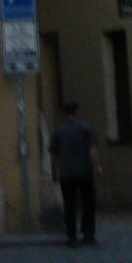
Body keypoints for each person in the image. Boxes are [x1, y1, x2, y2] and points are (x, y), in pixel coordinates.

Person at [48, 99, 99, 246]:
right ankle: (88, 233)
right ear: (77, 112)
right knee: (88, 203)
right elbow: (92, 150)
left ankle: (71, 236)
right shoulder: (85, 129)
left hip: (66, 173)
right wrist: (98, 167)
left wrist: (53, 172)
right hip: (84, 171)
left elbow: (53, 154)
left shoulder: (58, 132)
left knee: (69, 204)